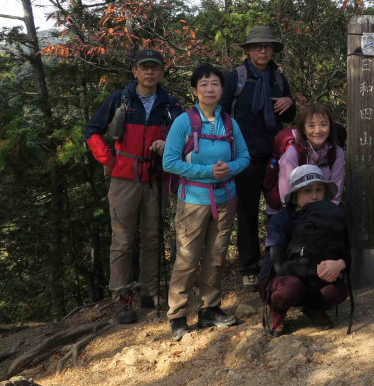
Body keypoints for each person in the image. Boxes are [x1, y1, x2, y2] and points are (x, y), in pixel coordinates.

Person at [85, 48, 183, 324]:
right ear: (135, 71)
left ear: (161, 72)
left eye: (155, 67)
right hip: (124, 176)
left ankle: (150, 292)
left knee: (153, 236)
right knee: (123, 240)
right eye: (145, 67)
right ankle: (121, 297)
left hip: (156, 177)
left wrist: (168, 148)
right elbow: (91, 130)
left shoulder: (170, 105)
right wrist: (107, 159)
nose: (150, 72)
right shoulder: (119, 99)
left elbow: (185, 137)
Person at [162, 64, 251, 340]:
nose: (210, 89)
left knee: (216, 256)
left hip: (225, 198)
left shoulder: (229, 123)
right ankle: (177, 316)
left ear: (222, 90)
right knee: (187, 258)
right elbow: (169, 161)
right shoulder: (184, 122)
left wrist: (230, 169)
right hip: (193, 201)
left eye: (215, 84)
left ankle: (210, 309)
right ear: (194, 91)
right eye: (204, 84)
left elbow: (244, 157)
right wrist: (207, 172)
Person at [223, 26, 297, 292]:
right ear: (247, 50)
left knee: (282, 208)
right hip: (246, 158)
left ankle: (280, 261)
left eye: (267, 46)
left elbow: (288, 118)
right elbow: (219, 116)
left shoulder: (279, 79)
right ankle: (250, 268)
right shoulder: (235, 79)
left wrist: (290, 103)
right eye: (257, 47)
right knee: (247, 214)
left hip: (277, 158)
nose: (263, 51)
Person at [259, 165, 350, 337]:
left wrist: (340, 264)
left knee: (336, 290)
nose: (314, 196)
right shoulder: (280, 220)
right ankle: (277, 310)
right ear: (295, 195)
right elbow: (279, 266)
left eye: (318, 190)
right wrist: (314, 268)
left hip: (314, 279)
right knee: (291, 287)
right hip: (281, 279)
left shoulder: (330, 217)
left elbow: (346, 252)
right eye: (307, 191)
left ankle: (313, 307)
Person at [276, 103, 345, 208]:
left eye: (323, 124)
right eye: (311, 125)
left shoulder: (336, 153)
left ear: (330, 127)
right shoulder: (292, 154)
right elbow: (286, 198)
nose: (318, 131)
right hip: (294, 213)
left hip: (324, 213)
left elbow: (335, 196)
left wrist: (325, 216)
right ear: (304, 129)